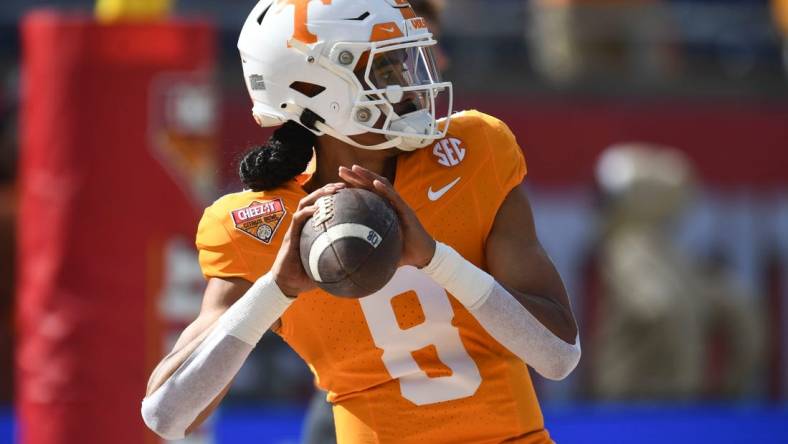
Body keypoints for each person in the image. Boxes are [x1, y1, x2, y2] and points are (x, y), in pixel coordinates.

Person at [141, 0, 580, 442]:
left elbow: (557, 356)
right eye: (388, 71)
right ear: (315, 89)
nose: (413, 84)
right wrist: (276, 290)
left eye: (408, 62)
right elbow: (167, 414)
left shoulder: (474, 149)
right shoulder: (256, 223)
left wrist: (436, 260)